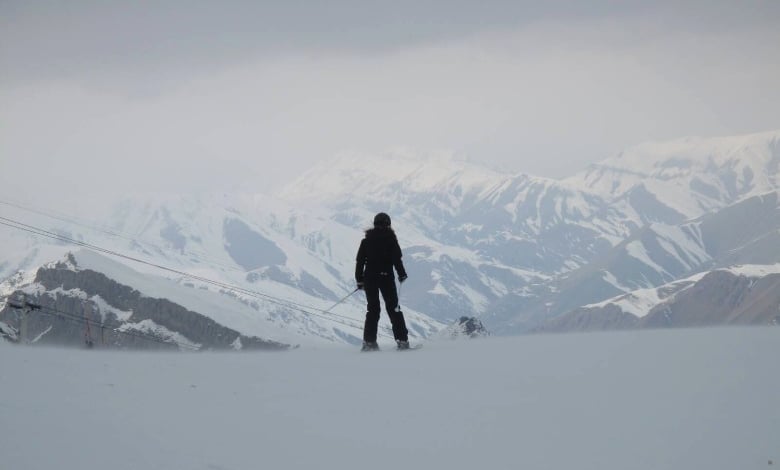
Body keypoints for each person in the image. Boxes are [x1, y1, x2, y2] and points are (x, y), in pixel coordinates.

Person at [355, 212, 409, 351]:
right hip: (386, 277)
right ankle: (402, 341)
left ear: (374, 224)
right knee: (394, 308)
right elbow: (397, 259)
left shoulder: (366, 241)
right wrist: (401, 274)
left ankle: (369, 343)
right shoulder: (391, 240)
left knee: (373, 309)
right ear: (388, 224)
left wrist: (359, 280)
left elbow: (360, 261)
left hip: (370, 278)